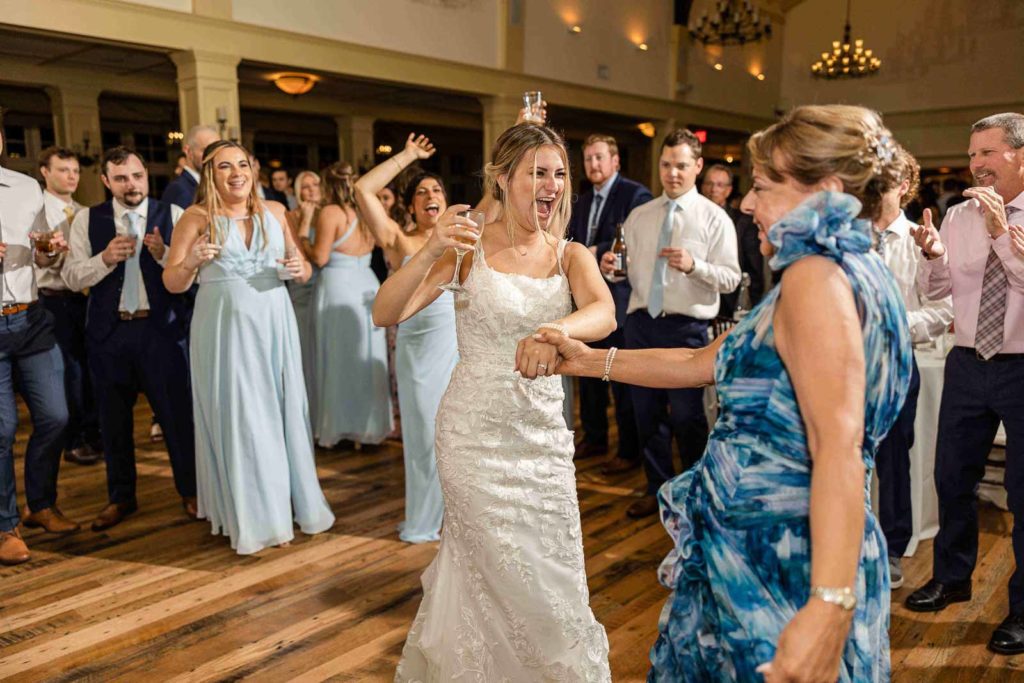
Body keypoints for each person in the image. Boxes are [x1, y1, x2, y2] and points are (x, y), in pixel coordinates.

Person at [543, 104, 912, 681]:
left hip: (781, 560)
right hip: (769, 549)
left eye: (762, 187)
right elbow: (697, 363)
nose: (745, 202)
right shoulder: (854, 270)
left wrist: (828, 605)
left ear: (827, 192)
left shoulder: (816, 280)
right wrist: (590, 360)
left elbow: (837, 448)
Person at [381, 122, 615, 680]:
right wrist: (432, 247)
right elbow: (386, 312)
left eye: (559, 174)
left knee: (549, 567)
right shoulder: (467, 249)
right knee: (486, 563)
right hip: (472, 436)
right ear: (504, 179)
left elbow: (604, 313)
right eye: (537, 173)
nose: (551, 184)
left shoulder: (569, 255)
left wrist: (551, 330)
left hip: (540, 436)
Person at [162, 140, 334, 555]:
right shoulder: (196, 218)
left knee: (280, 411)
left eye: (242, 164)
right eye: (225, 166)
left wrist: (299, 269)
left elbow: (305, 267)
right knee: (241, 416)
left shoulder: (275, 212)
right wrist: (191, 261)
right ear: (210, 175)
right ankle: (254, 518)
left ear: (253, 170)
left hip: (274, 321)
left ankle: (289, 504)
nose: (236, 172)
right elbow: (172, 281)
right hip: (225, 329)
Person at [906, 112, 1024, 655]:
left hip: (1022, 367)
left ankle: (1022, 610)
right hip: (967, 360)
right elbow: (938, 291)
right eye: (972, 153)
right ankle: (951, 579)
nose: (976, 163)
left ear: (1020, 156)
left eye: (988, 152)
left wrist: (1003, 235)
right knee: (951, 479)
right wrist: (931, 256)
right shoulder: (957, 216)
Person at [603, 129, 740, 519]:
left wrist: (694, 266)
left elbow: (731, 278)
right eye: (666, 165)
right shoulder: (640, 216)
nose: (672, 173)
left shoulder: (715, 219)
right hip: (641, 325)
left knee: (687, 418)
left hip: (688, 331)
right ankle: (657, 489)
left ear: (697, 166)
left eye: (681, 165)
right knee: (645, 416)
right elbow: (624, 271)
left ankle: (695, 493)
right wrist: (612, 270)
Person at [63, 146, 197, 530]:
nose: (131, 184)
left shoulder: (171, 214)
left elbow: (193, 271)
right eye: (121, 178)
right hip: (110, 333)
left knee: (176, 417)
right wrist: (104, 259)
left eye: (137, 176)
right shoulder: (87, 220)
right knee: (113, 422)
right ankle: (120, 498)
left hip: (162, 333)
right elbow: (72, 278)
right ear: (106, 181)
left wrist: (164, 253)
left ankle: (190, 491)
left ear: (145, 177)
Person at [355, 133, 458, 544]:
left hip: (460, 350)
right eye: (421, 192)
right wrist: (409, 156)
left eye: (437, 190)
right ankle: (425, 518)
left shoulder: (465, 240)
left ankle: (459, 520)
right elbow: (361, 189)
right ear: (411, 205)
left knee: (459, 437)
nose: (431, 195)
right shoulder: (400, 241)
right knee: (424, 439)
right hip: (418, 353)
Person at [872, 146, 953, 590]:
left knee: (893, 462)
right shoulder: (850, 236)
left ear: (904, 186)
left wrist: (895, 324)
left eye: (882, 179)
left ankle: (890, 545)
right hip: (844, 366)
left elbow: (945, 309)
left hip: (898, 363)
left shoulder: (922, 240)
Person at [0, 129, 74, 565]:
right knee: (2, 430)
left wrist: (50, 253)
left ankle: (39, 505)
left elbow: (43, 253)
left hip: (31, 319)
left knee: (56, 415)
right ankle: (5, 525)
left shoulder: (27, 187)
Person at [567, 133, 653, 475]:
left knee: (619, 377)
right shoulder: (583, 200)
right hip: (585, 300)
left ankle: (629, 450)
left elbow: (636, 239)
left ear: (615, 161)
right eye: (588, 159)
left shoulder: (635, 195)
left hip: (620, 300)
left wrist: (598, 250)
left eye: (600, 157)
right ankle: (595, 437)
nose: (593, 165)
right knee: (586, 374)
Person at [311, 162, 392, 447]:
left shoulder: (331, 212)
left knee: (340, 360)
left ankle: (343, 430)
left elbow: (319, 257)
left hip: (338, 285)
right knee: (367, 358)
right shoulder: (366, 211)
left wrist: (299, 241)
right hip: (367, 283)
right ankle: (370, 430)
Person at [35, 146, 103, 466]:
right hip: (51, 300)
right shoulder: (35, 211)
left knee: (90, 367)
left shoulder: (83, 212)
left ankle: (94, 432)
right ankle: (74, 439)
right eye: (63, 170)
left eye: (75, 171)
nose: (72, 176)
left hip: (83, 297)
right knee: (69, 372)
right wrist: (52, 252)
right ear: (45, 172)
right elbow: (33, 263)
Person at [700, 163, 766, 319]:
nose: (713, 189)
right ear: (702, 186)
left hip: (729, 305)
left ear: (728, 190)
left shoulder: (743, 222)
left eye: (719, 185)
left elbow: (754, 271)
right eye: (709, 183)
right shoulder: (691, 217)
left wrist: (749, 310)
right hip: (697, 301)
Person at [286, 170, 322, 408]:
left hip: (322, 286)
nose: (310, 190)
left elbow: (322, 258)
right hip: (299, 289)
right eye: (305, 186)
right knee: (303, 352)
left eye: (315, 185)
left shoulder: (327, 216)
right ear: (298, 191)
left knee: (322, 352)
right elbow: (293, 253)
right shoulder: (289, 216)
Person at [162, 125, 220, 210]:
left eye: (217, 151)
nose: (212, 156)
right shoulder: (178, 188)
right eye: (206, 151)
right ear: (188, 151)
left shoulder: (214, 185)